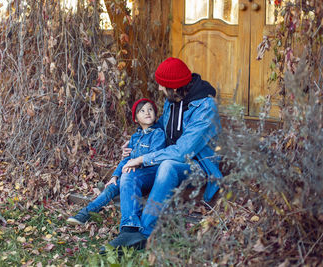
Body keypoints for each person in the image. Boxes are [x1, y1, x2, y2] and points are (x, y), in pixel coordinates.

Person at [104, 57, 223, 251]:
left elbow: (182, 151)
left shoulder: (205, 108)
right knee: (129, 172)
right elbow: (164, 127)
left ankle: (145, 233)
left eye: (162, 86)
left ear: (175, 88)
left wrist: (143, 158)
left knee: (167, 165)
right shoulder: (174, 99)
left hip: (196, 167)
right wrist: (140, 138)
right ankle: (129, 229)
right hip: (166, 159)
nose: (159, 89)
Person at [67, 98, 166, 225]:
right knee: (111, 188)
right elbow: (126, 158)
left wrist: (137, 162)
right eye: (142, 111)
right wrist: (115, 175)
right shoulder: (135, 137)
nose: (147, 112)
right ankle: (84, 214)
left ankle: (131, 223)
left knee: (126, 179)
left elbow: (155, 155)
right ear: (136, 119)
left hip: (149, 175)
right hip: (130, 175)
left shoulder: (158, 134)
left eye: (150, 109)